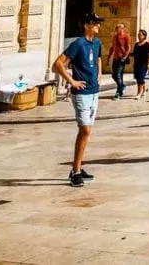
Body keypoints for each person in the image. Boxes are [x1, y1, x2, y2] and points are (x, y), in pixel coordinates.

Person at [52, 11, 104, 187]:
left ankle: (78, 166)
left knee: (87, 131)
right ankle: (75, 171)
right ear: (86, 25)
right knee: (85, 130)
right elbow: (57, 64)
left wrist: (100, 73)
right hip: (81, 93)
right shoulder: (77, 44)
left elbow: (97, 58)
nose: (98, 25)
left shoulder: (97, 42)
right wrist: (71, 81)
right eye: (95, 22)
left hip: (94, 91)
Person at [107, 22, 131, 100]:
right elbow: (112, 48)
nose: (117, 30)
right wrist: (108, 58)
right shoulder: (115, 37)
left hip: (122, 58)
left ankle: (119, 92)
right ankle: (122, 86)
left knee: (118, 75)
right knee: (114, 75)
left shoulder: (126, 37)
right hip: (115, 58)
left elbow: (128, 48)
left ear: (122, 29)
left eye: (119, 29)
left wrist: (125, 57)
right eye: (117, 29)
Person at [132, 29, 149, 100]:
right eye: (138, 34)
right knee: (138, 78)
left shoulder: (147, 44)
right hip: (136, 64)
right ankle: (144, 89)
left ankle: (139, 93)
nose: (139, 36)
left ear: (144, 36)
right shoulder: (136, 45)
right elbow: (134, 54)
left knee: (140, 78)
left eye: (140, 35)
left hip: (143, 64)